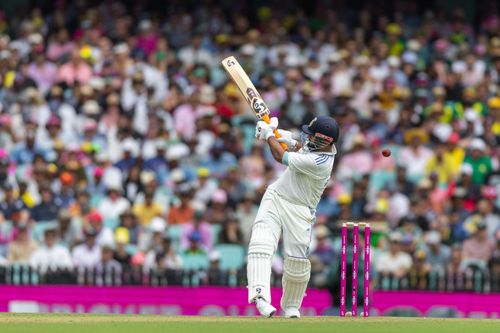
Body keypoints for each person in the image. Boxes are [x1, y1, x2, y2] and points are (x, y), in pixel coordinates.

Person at [248, 115, 339, 318]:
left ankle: (291, 307)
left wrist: (269, 135)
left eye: (311, 135)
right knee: (261, 245)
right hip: (276, 197)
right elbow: (301, 146)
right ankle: (260, 296)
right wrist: (285, 139)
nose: (308, 138)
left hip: (300, 210)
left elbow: (281, 157)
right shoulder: (318, 147)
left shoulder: (321, 162)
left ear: (324, 140)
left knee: (297, 262)